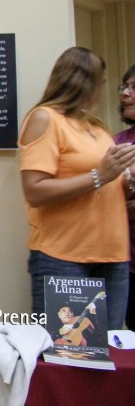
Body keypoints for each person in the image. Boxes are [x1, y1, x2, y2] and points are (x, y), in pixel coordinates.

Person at [19, 46, 135, 330]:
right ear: (85, 81)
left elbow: (108, 186)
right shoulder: (45, 118)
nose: (105, 91)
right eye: (102, 83)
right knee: (70, 358)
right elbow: (34, 191)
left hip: (113, 256)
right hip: (65, 258)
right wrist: (101, 175)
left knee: (109, 358)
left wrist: (126, 182)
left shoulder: (96, 127)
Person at [113, 64, 135, 329]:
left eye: (133, 88)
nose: (125, 94)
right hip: (128, 264)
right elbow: (107, 201)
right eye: (124, 87)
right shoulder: (117, 141)